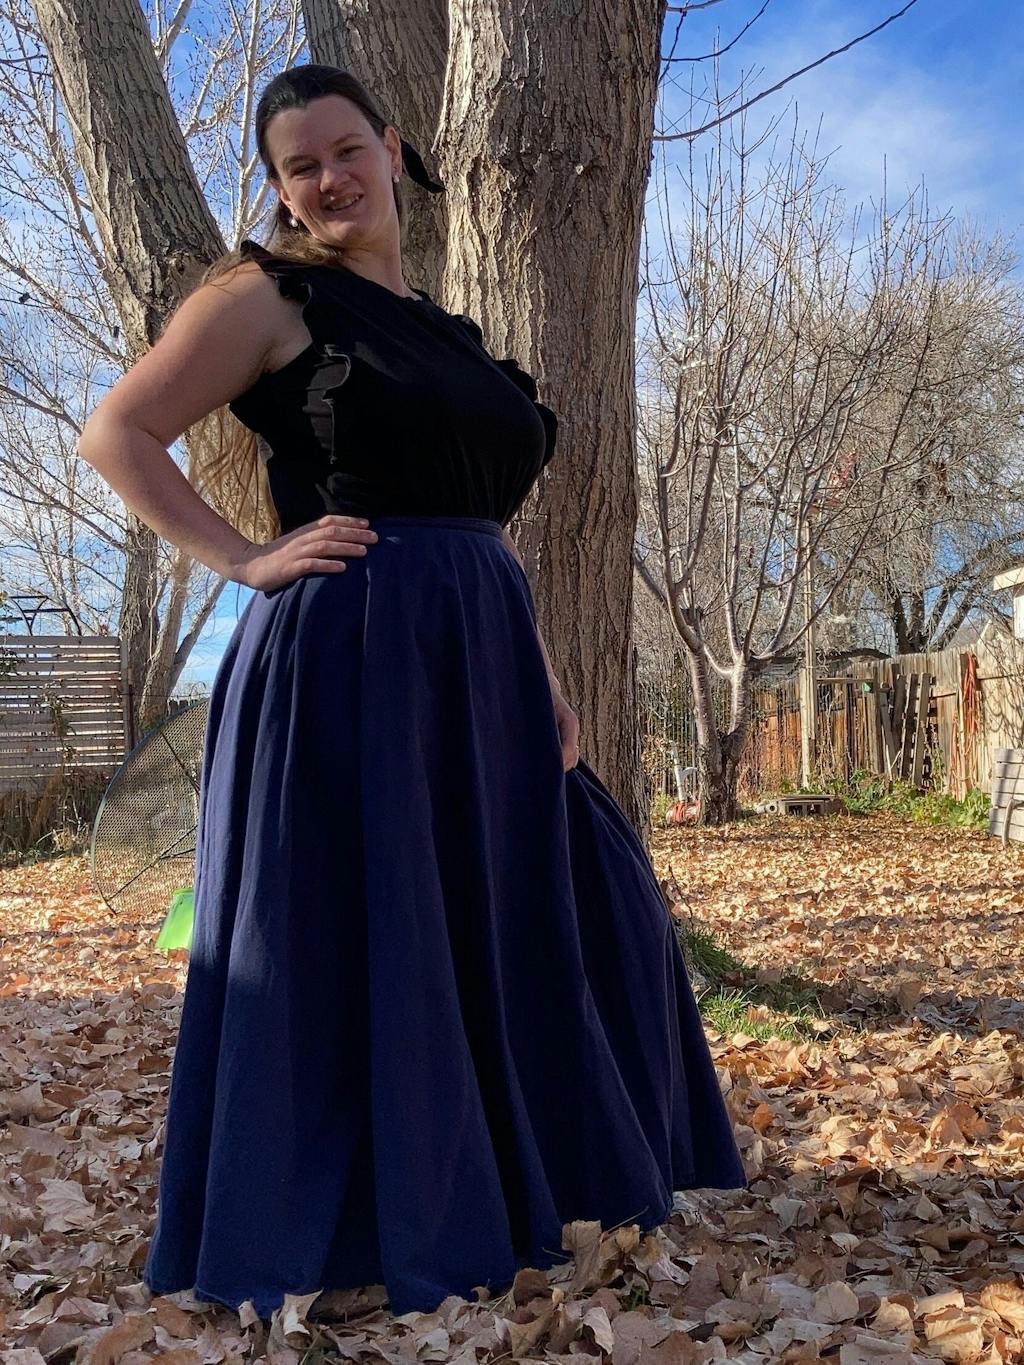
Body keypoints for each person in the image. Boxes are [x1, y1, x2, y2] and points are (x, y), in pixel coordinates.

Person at [77, 62, 747, 1321]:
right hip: (350, 655)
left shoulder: (447, 335)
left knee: (530, 907)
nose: (330, 179)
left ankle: (503, 1187)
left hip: (476, 657)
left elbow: (477, 522)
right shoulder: (265, 297)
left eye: (346, 151)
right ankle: (350, 1220)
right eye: (300, 167)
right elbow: (116, 433)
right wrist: (244, 558)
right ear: (280, 190)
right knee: (358, 922)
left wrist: (540, 672)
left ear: (393, 149)